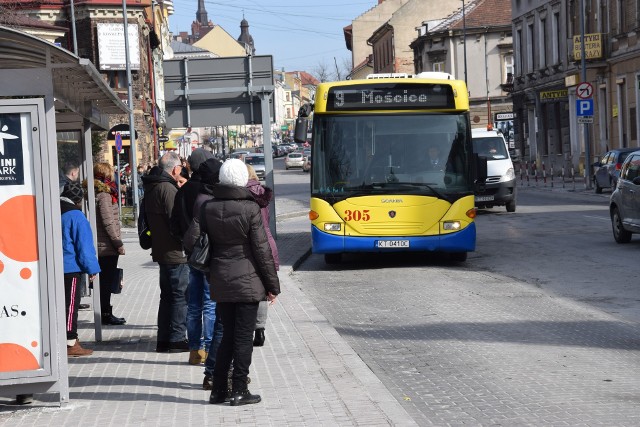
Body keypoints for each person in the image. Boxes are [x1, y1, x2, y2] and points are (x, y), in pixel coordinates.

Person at [193, 159, 280, 406]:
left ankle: (218, 390)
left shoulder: (207, 207)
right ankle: (239, 389)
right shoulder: (250, 208)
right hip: (248, 282)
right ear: (243, 180)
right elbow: (262, 251)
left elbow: (192, 239)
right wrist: (273, 286)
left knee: (227, 336)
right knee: (243, 338)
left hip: (220, 280)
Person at [169, 148, 216, 365]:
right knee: (209, 304)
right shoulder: (209, 189)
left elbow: (175, 224)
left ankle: (194, 350)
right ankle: (208, 348)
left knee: (194, 304)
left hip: (191, 254)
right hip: (209, 253)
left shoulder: (183, 191)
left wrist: (186, 244)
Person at [142, 151, 190, 353]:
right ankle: (177, 339)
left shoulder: (152, 187)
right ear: (175, 169)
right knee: (179, 296)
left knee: (168, 296)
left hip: (161, 250)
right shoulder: (168, 189)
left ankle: (164, 339)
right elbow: (175, 221)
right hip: (175, 252)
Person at [60, 181, 101, 357]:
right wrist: (92, 268)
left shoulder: (53, 210)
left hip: (52, 267)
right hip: (70, 268)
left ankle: (64, 339)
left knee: (60, 304)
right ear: (78, 200)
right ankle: (70, 342)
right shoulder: (76, 216)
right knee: (70, 305)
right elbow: (84, 247)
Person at [245, 165, 279, 347]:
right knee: (263, 289)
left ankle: (249, 328)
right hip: (266, 242)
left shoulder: (241, 194)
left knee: (250, 288)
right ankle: (260, 330)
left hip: (249, 246)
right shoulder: (262, 194)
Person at [92, 162, 126, 326]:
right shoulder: (104, 195)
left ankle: (105, 312)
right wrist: (117, 242)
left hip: (103, 244)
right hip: (106, 246)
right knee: (106, 282)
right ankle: (105, 313)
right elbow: (108, 222)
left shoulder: (100, 191)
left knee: (105, 281)